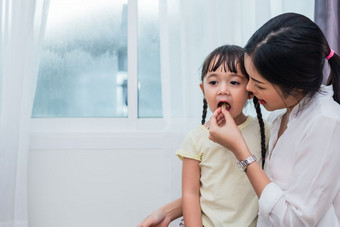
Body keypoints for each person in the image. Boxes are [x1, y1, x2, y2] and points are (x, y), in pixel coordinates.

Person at [208, 13, 340, 226]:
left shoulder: (326, 121)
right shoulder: (280, 113)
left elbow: (295, 221)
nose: (249, 88)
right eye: (248, 78)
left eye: (259, 85)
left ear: (295, 86)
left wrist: (241, 151)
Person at [138, 45, 269, 227]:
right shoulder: (195, 139)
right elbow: (190, 194)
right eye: (214, 82)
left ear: (249, 91)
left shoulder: (264, 131)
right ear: (203, 89)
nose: (223, 90)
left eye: (234, 82)